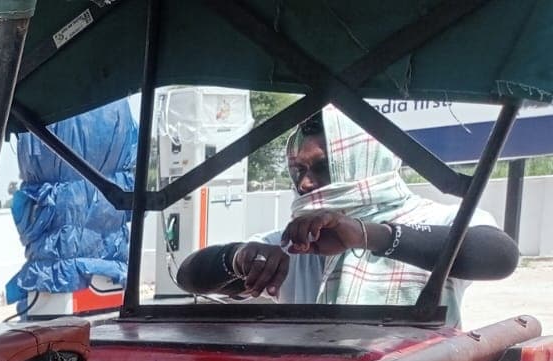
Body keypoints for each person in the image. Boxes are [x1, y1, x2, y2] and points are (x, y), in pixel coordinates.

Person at [175, 107, 518, 323]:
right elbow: (189, 275)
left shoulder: (436, 219)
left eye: (323, 168)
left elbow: (500, 257)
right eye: (297, 170)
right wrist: (239, 258)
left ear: (365, 161)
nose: (306, 183)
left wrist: (368, 236)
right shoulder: (297, 244)